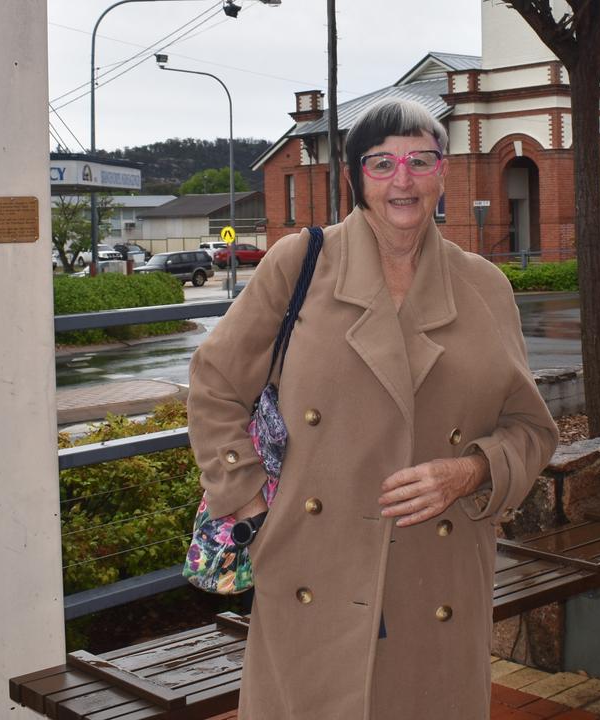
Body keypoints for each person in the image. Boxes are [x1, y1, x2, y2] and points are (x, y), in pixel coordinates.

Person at [187, 98, 558, 719]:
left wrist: (468, 471)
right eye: (382, 163)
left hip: (434, 571)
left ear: (443, 172)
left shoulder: (485, 286)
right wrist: (252, 509)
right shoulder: (299, 264)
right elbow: (215, 383)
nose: (403, 180)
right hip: (312, 564)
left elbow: (530, 429)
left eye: (419, 160)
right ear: (355, 178)